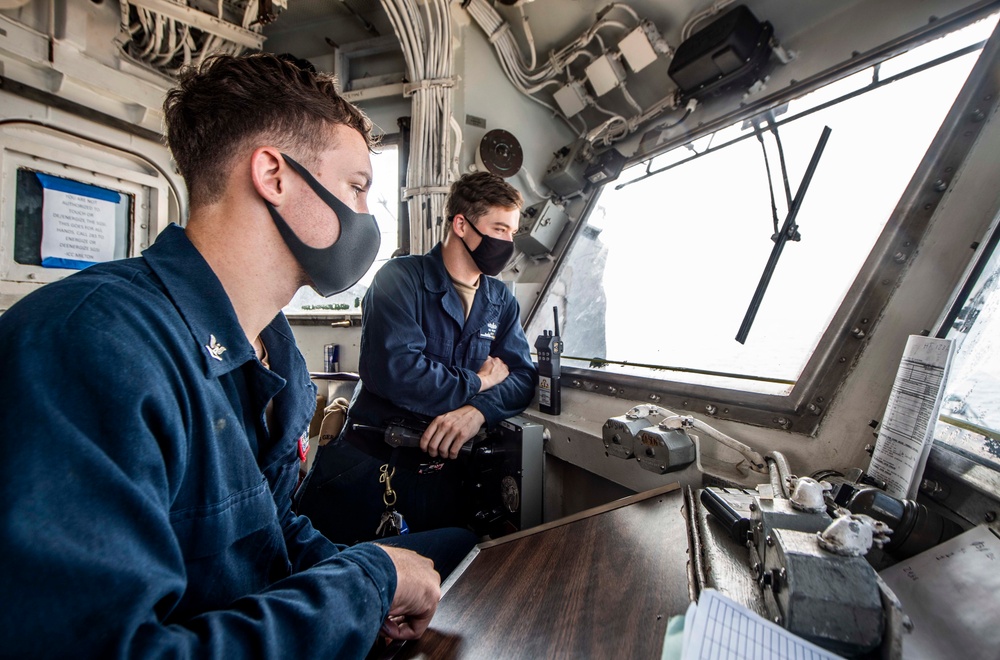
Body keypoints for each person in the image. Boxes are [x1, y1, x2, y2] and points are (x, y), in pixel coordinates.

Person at [0, 53, 465, 657]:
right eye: (356, 187)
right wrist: (365, 583)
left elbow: (265, 530)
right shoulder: (87, 343)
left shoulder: (276, 351)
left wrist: (370, 586)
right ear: (274, 175)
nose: (364, 217)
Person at [296, 171, 537, 545]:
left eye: (512, 232)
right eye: (500, 229)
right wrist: (479, 381)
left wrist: (477, 412)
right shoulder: (399, 279)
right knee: (322, 570)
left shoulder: (499, 300)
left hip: (442, 478)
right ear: (462, 224)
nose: (508, 242)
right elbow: (401, 374)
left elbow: (522, 376)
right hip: (369, 464)